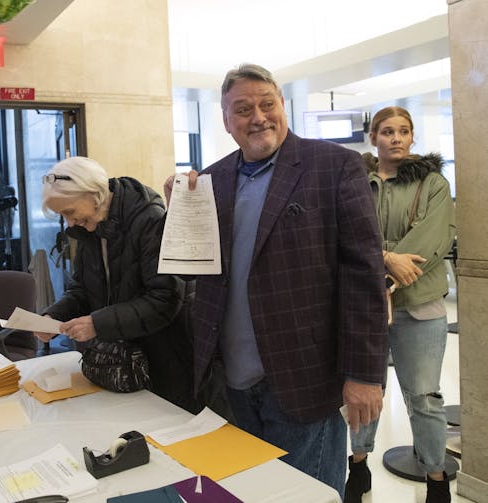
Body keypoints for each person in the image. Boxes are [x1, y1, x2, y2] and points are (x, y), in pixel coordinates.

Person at [163, 64, 388, 497]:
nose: (258, 117)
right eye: (243, 109)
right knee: (250, 492)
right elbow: (196, 273)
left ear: (283, 106)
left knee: (306, 494)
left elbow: (363, 275)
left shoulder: (334, 166)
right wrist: (180, 216)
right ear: (227, 123)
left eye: (267, 104)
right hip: (230, 381)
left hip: (304, 375)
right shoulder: (212, 180)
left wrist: (364, 373)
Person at [345, 106, 456, 503]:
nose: (396, 138)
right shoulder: (355, 181)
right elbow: (345, 235)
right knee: (363, 391)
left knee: (424, 397)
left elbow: (433, 239)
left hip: (420, 308)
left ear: (412, 138)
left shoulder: (432, 183)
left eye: (404, 131)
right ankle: (358, 468)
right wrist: (388, 259)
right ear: (373, 137)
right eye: (387, 131)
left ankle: (436, 477)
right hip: (364, 308)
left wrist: (381, 265)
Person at [35, 156, 196, 412]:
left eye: (69, 212)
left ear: (93, 194)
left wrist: (98, 323)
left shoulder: (148, 218)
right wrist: (54, 315)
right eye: (62, 216)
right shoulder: (89, 228)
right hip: (118, 363)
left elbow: (164, 298)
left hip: (163, 361)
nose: (70, 223)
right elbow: (82, 289)